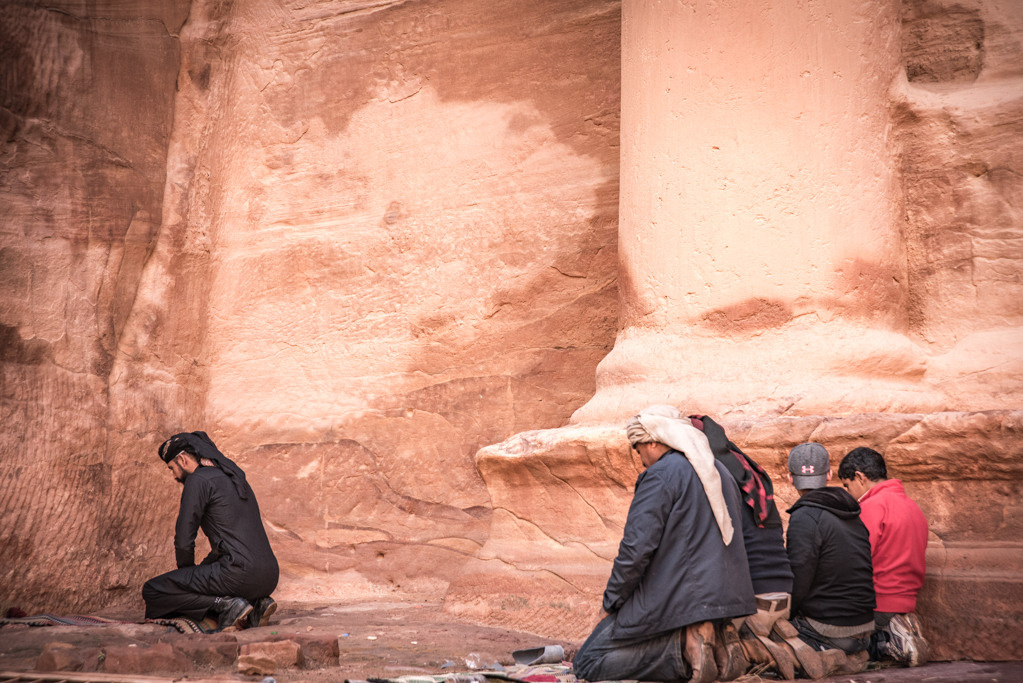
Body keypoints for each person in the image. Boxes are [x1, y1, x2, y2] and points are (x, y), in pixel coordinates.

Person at [572, 406, 755, 683]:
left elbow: (635, 550)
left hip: (682, 602)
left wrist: (610, 604)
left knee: (587, 662)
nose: (641, 460)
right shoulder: (720, 470)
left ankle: (684, 648)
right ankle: (713, 638)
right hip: (726, 599)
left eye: (638, 450)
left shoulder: (660, 475)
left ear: (653, 442)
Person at [688, 415, 797, 678]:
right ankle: (779, 642)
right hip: (784, 596)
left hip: (752, 603)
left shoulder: (716, 480)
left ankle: (754, 650)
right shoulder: (752, 476)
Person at [142, 431, 279, 632]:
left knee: (153, 590)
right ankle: (257, 605)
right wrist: (200, 572)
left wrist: (187, 575)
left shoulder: (198, 480)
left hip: (238, 573)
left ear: (182, 459)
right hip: (269, 577)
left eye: (172, 468)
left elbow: (184, 540)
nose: (173, 476)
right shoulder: (234, 476)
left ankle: (227, 606)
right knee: (208, 572)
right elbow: (226, 546)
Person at [783, 442, 875, 675]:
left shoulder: (804, 516)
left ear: (790, 478)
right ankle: (850, 656)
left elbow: (799, 578)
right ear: (829, 475)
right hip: (865, 628)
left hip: (830, 629)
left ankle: (826, 656)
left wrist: (784, 617)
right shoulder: (852, 512)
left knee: (760, 632)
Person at [838, 446, 930, 666]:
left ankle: (887, 641)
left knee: (828, 638)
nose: (848, 493)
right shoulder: (912, 506)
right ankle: (898, 626)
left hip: (878, 602)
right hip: (906, 599)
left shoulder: (871, 507)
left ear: (860, 477)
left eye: (847, 485)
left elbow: (855, 560)